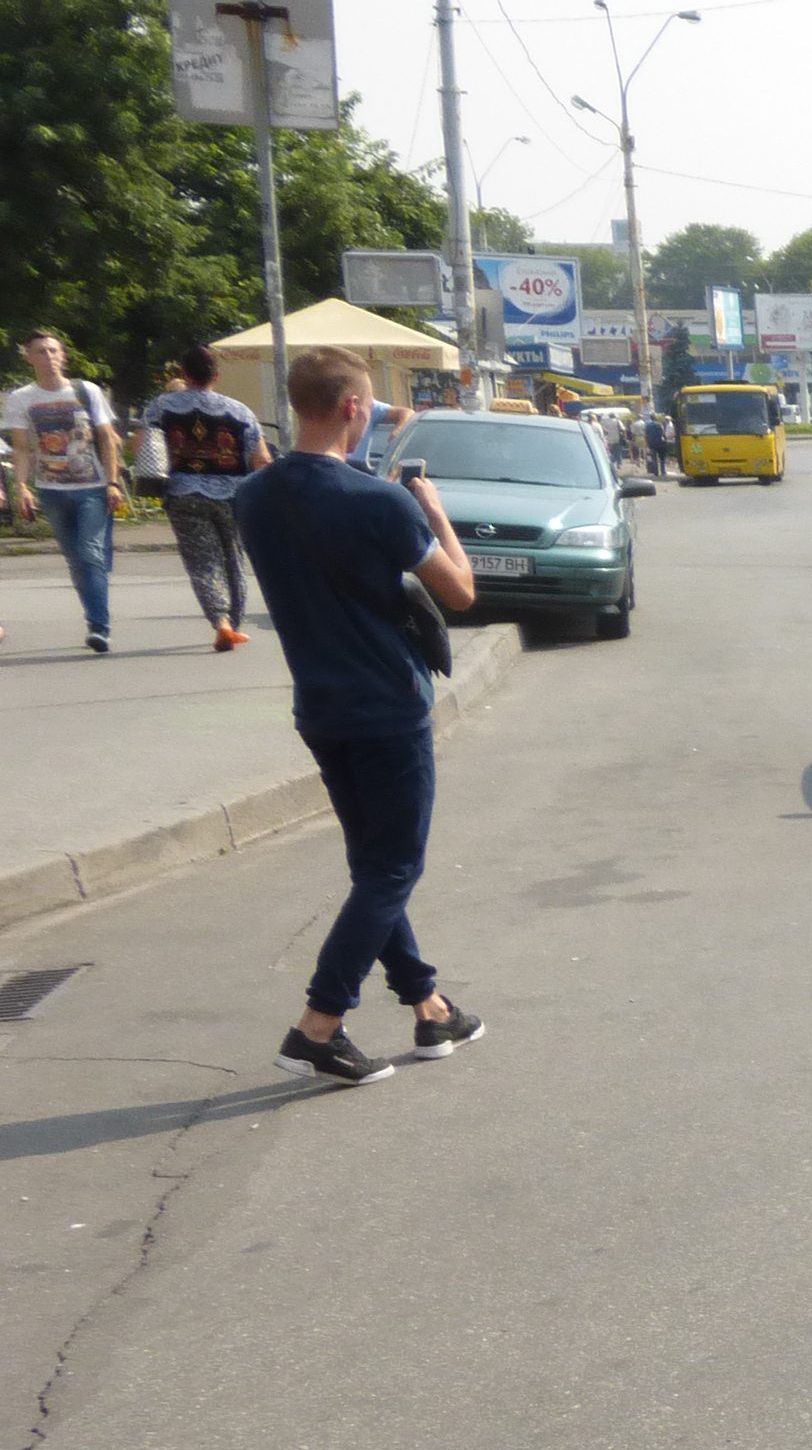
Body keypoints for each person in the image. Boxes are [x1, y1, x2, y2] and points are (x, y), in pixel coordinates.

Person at [230, 343, 487, 1088]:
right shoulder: (381, 501)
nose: (370, 413)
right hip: (387, 707)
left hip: (319, 707)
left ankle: (430, 1007)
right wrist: (434, 514)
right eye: (369, 403)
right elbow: (460, 591)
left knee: (374, 865)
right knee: (393, 868)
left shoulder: (253, 496)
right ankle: (319, 1026)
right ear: (350, 406)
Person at [136, 346, 271, 648]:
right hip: (233, 496)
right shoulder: (239, 411)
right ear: (217, 375)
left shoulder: (160, 407)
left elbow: (141, 447)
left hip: (182, 493)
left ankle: (221, 622)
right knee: (233, 557)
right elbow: (262, 459)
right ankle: (234, 623)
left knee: (201, 561)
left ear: (183, 374)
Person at [8, 330, 127, 653]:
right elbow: (22, 448)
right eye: (41, 351)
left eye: (53, 350)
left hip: (93, 487)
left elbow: (106, 438)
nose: (48, 357)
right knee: (75, 559)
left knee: (90, 553)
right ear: (29, 358)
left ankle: (99, 627)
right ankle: (93, 616)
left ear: (63, 356)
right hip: (52, 490)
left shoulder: (86, 391)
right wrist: (22, 487)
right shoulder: (21, 398)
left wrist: (112, 482)